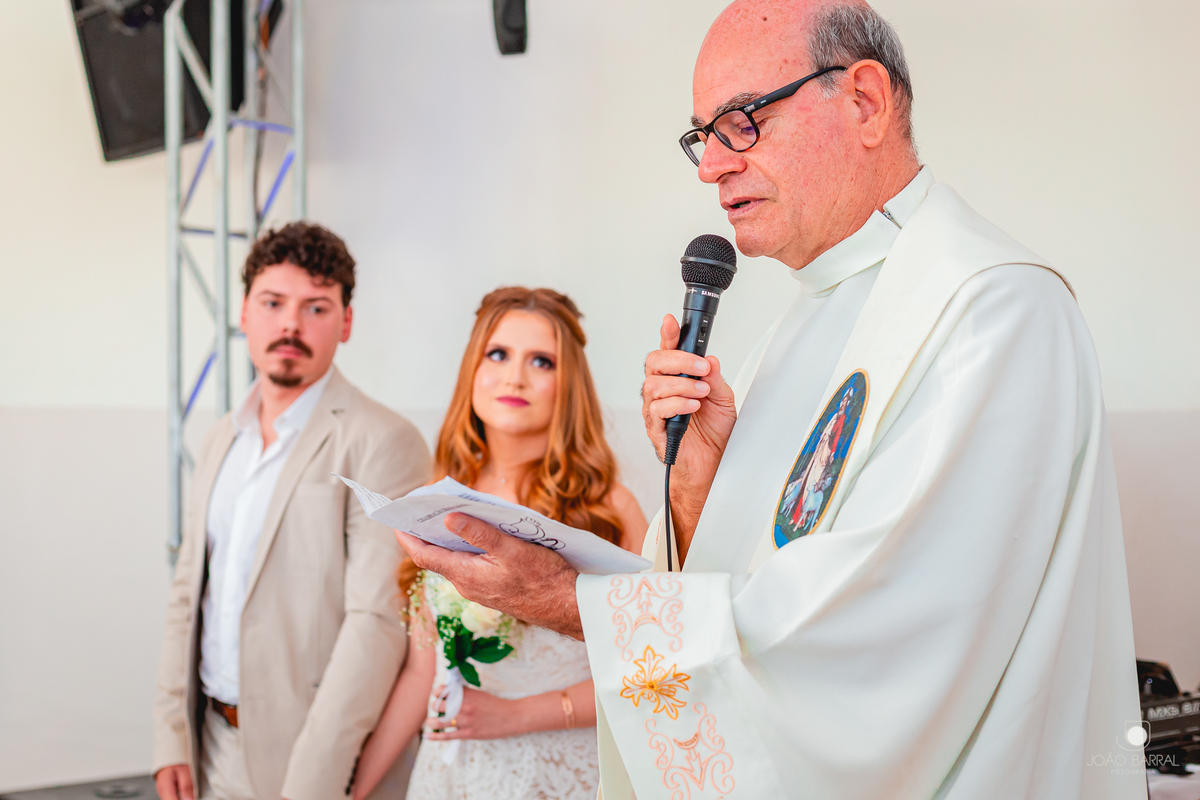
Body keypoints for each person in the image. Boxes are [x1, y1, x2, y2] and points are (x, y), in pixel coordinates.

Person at [396, 3, 1146, 800]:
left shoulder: (994, 312)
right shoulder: (798, 325)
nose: (710, 166)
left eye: (741, 121)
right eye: (702, 134)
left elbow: (877, 643)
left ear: (863, 100)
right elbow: (750, 577)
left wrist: (562, 598)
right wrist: (694, 494)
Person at [153, 223, 431, 800]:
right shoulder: (217, 440)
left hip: (312, 757)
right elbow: (187, 593)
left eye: (316, 307)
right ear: (244, 313)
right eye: (273, 303)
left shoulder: (384, 440)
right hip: (209, 744)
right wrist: (171, 736)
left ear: (346, 323)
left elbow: (375, 623)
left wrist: (313, 783)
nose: (290, 324)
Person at [350, 287, 647, 800]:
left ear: (568, 384)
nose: (515, 376)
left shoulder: (609, 509)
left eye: (541, 361)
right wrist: (354, 790)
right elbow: (424, 673)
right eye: (498, 354)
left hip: (562, 775)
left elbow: (654, 669)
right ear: (473, 370)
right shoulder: (436, 503)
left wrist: (519, 716)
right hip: (451, 773)